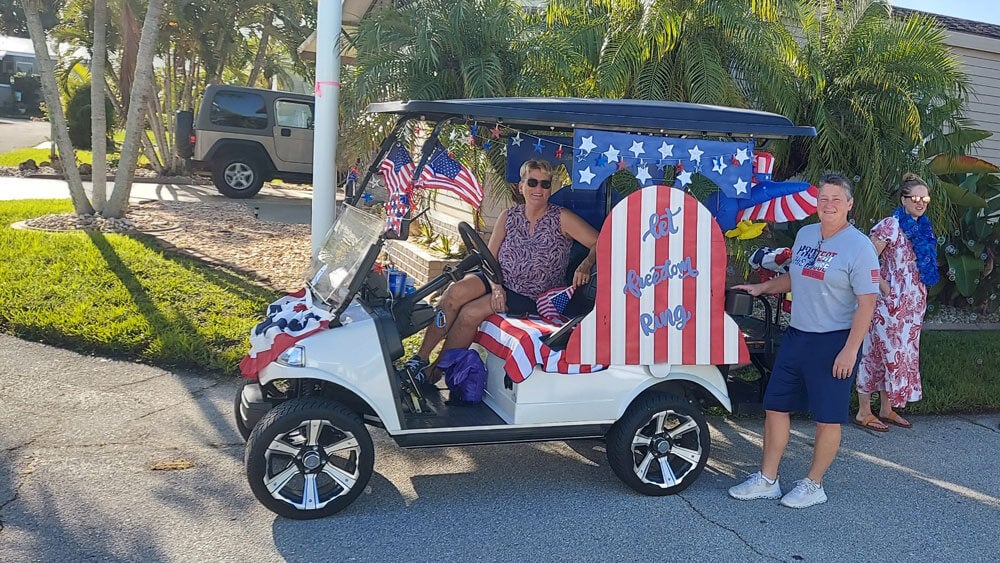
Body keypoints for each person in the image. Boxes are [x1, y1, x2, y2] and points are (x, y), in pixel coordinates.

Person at [728, 174, 879, 508]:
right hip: (797, 337)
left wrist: (850, 351)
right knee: (775, 406)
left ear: (849, 205)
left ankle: (814, 484)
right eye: (823, 198)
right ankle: (768, 480)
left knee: (827, 417)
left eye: (836, 199)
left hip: (833, 342)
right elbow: (794, 276)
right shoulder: (806, 235)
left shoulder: (860, 247)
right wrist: (761, 288)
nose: (828, 205)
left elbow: (867, 304)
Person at [403, 159, 599, 384]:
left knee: (470, 313)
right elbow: (490, 258)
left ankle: (433, 374)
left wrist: (585, 263)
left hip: (532, 294)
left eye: (545, 184)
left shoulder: (561, 217)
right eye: (532, 182)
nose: (538, 189)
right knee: (455, 291)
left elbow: (599, 241)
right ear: (521, 186)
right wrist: (496, 288)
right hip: (499, 279)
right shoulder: (509, 216)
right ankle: (419, 359)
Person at [854, 173, 938, 432]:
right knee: (878, 353)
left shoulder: (923, 227)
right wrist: (886, 288)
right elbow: (866, 259)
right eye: (915, 197)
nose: (921, 202)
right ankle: (863, 411)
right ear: (903, 200)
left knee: (901, 356)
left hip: (912, 308)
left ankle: (887, 409)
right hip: (888, 306)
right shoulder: (890, 225)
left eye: (925, 198)